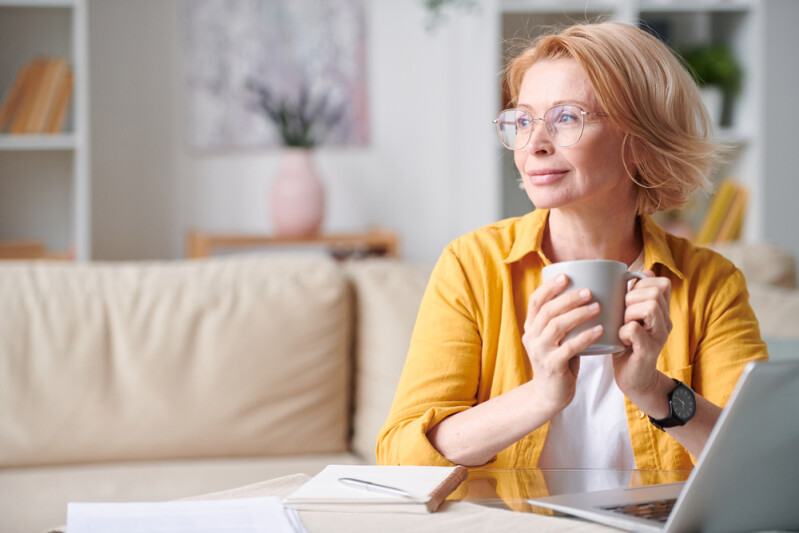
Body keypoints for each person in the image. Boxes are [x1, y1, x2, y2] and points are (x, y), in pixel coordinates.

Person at [376, 22, 768, 471]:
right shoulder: (472, 265)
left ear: (638, 141)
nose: (534, 145)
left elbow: (758, 466)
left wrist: (653, 390)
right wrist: (541, 395)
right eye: (523, 121)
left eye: (566, 117)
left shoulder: (710, 284)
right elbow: (402, 455)